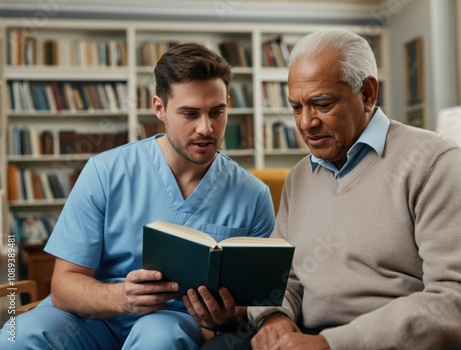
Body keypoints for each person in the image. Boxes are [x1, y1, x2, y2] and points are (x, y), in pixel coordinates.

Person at [201, 29, 461, 350]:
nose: (305, 123)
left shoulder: (433, 160)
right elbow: (284, 279)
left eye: (321, 103)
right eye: (296, 107)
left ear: (368, 93)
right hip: (306, 336)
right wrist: (275, 317)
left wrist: (333, 343)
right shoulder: (300, 177)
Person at [0, 43, 275, 349]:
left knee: (159, 339)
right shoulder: (104, 172)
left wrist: (223, 318)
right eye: (190, 113)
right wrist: (121, 297)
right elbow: (64, 285)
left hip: (169, 320)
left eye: (217, 112)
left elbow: (253, 306)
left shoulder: (254, 196)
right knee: (18, 336)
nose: (206, 128)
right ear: (159, 108)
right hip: (91, 318)